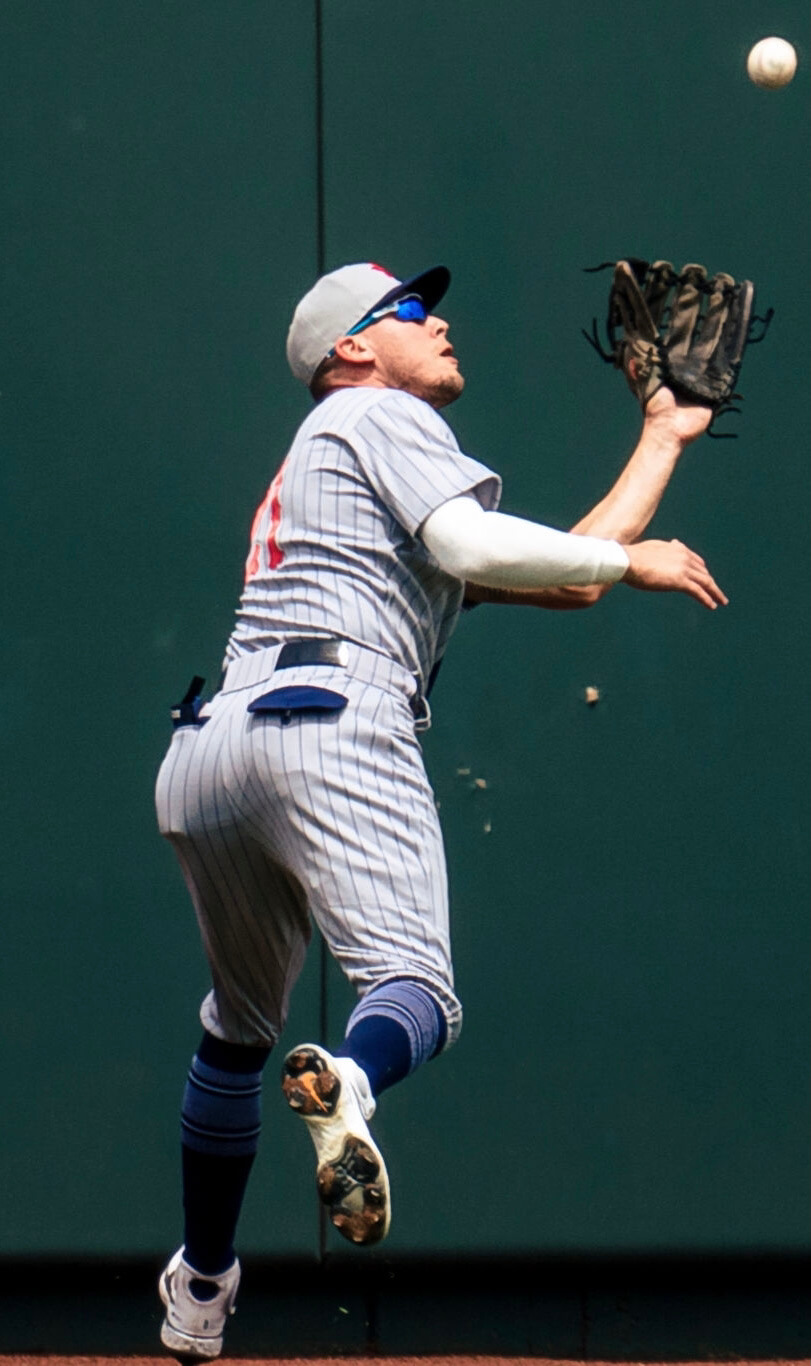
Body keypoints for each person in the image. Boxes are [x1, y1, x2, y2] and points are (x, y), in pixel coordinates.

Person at [154, 261, 726, 1359]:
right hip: (329, 721)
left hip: (211, 749)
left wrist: (662, 436)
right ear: (353, 350)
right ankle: (352, 1082)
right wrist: (632, 559)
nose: (442, 317)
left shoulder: (332, 461)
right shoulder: (373, 411)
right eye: (413, 309)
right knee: (416, 987)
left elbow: (557, 578)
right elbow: (480, 547)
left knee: (234, 1031)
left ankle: (202, 1287)